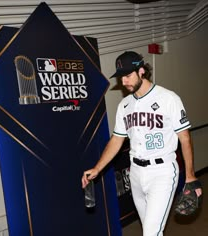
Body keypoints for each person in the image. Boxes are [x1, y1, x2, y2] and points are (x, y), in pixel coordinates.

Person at [81, 51, 202, 236]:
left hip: (162, 172)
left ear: (142, 71)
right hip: (136, 173)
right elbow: (117, 139)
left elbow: (185, 138)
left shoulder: (168, 99)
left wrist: (191, 176)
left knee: (151, 233)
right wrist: (97, 168)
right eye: (121, 77)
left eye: (128, 75)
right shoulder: (124, 105)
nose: (124, 82)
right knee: (150, 229)